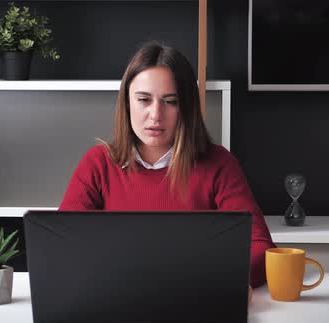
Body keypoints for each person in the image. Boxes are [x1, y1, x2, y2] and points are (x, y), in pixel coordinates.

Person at [59, 41, 275, 295]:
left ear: (186, 107)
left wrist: (216, 279)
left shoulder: (220, 164)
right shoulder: (97, 163)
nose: (155, 115)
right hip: (116, 299)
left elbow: (261, 247)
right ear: (127, 103)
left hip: (195, 300)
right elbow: (63, 245)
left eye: (170, 102)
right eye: (143, 100)